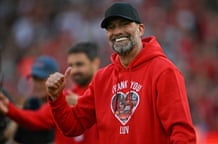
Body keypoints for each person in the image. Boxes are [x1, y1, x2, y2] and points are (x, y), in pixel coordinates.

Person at [46, 2, 197, 144]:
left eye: (124, 24)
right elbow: (73, 126)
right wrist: (56, 97)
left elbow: (182, 133)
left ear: (140, 29)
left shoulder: (163, 71)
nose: (117, 32)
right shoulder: (101, 78)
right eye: (111, 27)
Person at [0, 43, 100, 144]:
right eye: (71, 65)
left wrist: (82, 102)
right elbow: (37, 118)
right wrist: (8, 108)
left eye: (79, 64)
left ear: (95, 63)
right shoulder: (65, 97)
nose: (74, 70)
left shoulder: (107, 91)